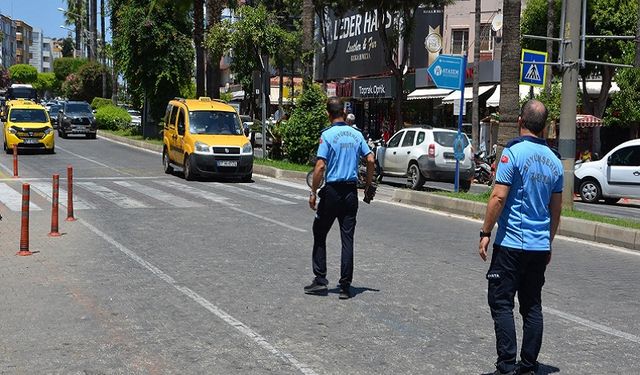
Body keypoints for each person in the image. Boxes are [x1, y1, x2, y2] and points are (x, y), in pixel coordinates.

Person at [478, 100, 563, 375]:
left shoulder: (512, 153)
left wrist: (485, 232)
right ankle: (527, 367)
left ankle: (506, 366)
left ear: (520, 122)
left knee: (501, 302)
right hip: (539, 246)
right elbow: (556, 209)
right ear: (545, 127)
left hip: (511, 244)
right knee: (532, 305)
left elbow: (499, 196)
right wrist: (548, 242)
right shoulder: (555, 161)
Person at [304, 97, 376, 300]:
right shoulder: (356, 134)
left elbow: (319, 166)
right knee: (347, 239)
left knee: (319, 232)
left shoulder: (327, 135)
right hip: (351, 192)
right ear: (343, 113)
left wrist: (313, 192)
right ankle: (345, 286)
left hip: (333, 192)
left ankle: (320, 280)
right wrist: (368, 184)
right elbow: (370, 159)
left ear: (328, 114)